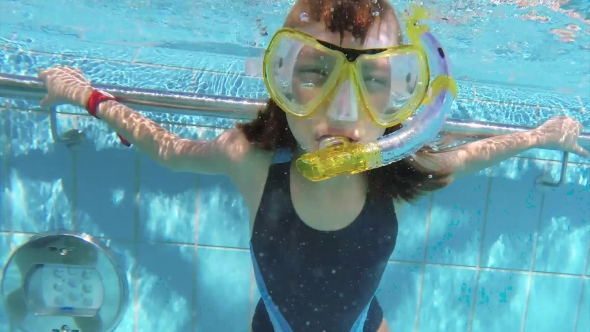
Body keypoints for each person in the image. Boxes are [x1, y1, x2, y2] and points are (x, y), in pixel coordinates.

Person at [37, 0, 588, 331]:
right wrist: (86, 96)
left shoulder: (397, 168)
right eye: (315, 72)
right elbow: (167, 149)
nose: (341, 111)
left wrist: (541, 136)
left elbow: (470, 156)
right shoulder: (252, 162)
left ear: (403, 100)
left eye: (374, 80)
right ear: (280, 81)